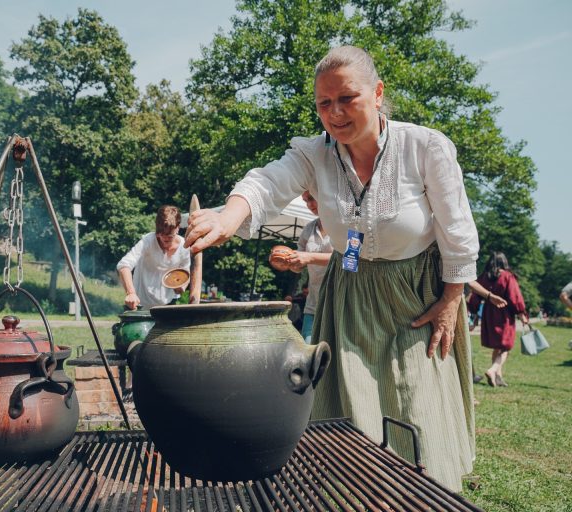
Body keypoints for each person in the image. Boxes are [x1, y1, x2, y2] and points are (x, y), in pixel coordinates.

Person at [185, 45, 478, 491]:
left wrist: (452, 300)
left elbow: (456, 229)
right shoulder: (315, 155)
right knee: (355, 405)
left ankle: (427, 495)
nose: (335, 113)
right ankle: (368, 495)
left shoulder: (425, 147)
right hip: (353, 294)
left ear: (377, 93)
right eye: (324, 103)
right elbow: (266, 182)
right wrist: (228, 218)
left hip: (416, 294)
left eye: (347, 98)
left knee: (417, 403)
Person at [467, 252, 528, 387]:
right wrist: (521, 312)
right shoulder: (507, 276)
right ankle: (493, 369)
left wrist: (474, 311)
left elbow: (476, 295)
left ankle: (498, 377)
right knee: (506, 346)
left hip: (489, 314)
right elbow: (515, 296)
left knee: (498, 346)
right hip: (504, 314)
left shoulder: (484, 277)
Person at [117, 205, 191, 310]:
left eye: (170, 236)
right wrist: (131, 293)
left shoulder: (184, 247)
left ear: (178, 228)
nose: (165, 238)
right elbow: (124, 265)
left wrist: (182, 286)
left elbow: (185, 271)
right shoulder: (147, 241)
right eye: (161, 234)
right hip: (139, 304)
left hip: (168, 304)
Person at [285, 191, 333, 342]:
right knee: (310, 356)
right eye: (305, 200)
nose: (309, 204)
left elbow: (351, 260)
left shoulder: (348, 223)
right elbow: (298, 264)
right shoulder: (308, 228)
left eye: (311, 198)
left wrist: (309, 257)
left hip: (342, 306)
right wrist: (289, 262)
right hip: (313, 305)